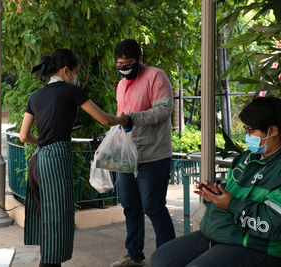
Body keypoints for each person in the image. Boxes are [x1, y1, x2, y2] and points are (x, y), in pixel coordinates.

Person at [19, 48, 129, 267]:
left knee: (47, 219)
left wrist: (43, 141)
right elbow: (104, 120)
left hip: (38, 161)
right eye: (76, 71)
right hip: (56, 160)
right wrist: (122, 120)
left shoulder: (35, 97)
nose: (76, 76)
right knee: (57, 220)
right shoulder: (71, 91)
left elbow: (23, 136)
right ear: (67, 70)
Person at [150, 96, 281, 267]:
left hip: (257, 245)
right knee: (161, 259)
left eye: (251, 131)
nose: (248, 136)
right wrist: (215, 194)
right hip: (219, 232)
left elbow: (274, 225)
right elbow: (232, 192)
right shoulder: (245, 159)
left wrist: (231, 204)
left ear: (273, 131)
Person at [110, 39, 175, 267]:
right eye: (120, 64)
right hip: (127, 156)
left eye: (128, 63)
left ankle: (167, 258)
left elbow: (164, 110)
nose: (124, 68)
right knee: (130, 207)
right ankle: (134, 256)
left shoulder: (156, 76)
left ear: (140, 59)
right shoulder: (121, 85)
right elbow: (121, 117)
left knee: (154, 207)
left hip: (154, 155)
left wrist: (132, 119)